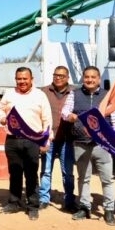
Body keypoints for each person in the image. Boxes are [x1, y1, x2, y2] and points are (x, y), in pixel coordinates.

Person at [62, 66, 115, 226]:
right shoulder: (74, 94)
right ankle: (84, 207)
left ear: (99, 79)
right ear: (83, 78)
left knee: (107, 179)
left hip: (103, 144)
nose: (90, 80)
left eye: (93, 77)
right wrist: (69, 116)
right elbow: (65, 112)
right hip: (81, 143)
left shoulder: (107, 95)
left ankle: (109, 210)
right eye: (87, 77)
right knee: (83, 178)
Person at [0, 67, 52, 220]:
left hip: (32, 140)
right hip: (12, 140)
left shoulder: (40, 95)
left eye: (25, 79)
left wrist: (46, 141)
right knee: (14, 172)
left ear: (31, 79)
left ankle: (33, 206)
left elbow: (47, 119)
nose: (22, 81)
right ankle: (14, 202)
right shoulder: (9, 94)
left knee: (31, 174)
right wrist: (2, 118)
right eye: (19, 79)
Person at [38, 66, 76, 212]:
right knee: (46, 170)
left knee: (68, 172)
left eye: (62, 76)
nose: (58, 78)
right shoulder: (44, 92)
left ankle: (69, 200)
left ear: (67, 77)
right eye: (56, 75)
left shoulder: (74, 92)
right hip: (48, 138)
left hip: (67, 139)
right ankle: (44, 199)